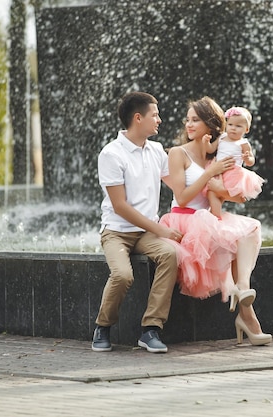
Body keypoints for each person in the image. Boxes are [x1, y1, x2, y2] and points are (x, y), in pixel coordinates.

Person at [159, 96, 271, 346]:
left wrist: (222, 187)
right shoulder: (178, 153)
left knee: (251, 228)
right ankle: (248, 319)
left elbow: (238, 197)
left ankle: (242, 289)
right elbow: (183, 198)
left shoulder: (216, 155)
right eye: (187, 120)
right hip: (184, 219)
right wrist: (210, 175)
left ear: (210, 125)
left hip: (207, 218)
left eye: (195, 120)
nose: (189, 125)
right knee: (221, 233)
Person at [91, 92, 184, 354]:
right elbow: (120, 206)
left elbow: (178, 184)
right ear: (138, 118)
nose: (160, 120)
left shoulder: (156, 150)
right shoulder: (111, 153)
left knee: (169, 254)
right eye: (155, 115)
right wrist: (162, 229)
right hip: (117, 233)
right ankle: (103, 326)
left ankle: (151, 329)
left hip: (146, 233)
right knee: (122, 275)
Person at [206, 106, 264, 219]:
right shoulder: (222, 137)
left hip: (233, 174)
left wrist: (247, 158)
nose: (233, 128)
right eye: (230, 125)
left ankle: (218, 215)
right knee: (211, 193)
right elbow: (211, 149)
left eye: (238, 126)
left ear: (246, 129)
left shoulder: (243, 143)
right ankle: (216, 216)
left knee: (225, 194)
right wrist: (206, 143)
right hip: (218, 171)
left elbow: (251, 162)